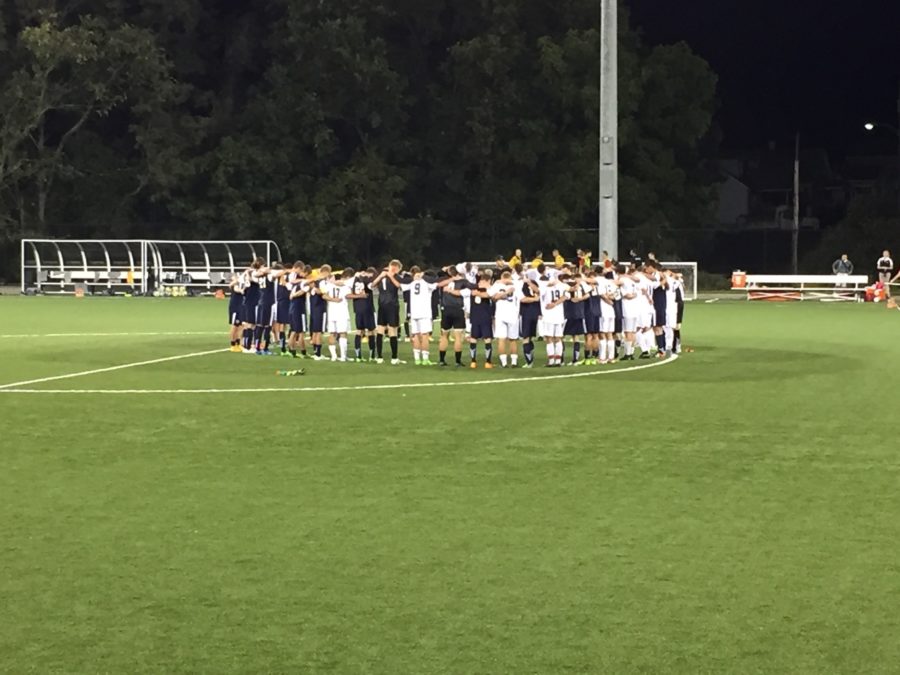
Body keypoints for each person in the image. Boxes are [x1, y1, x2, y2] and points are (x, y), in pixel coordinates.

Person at [400, 266, 438, 366]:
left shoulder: (412, 282)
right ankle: (425, 359)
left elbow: (401, 286)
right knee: (424, 335)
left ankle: (417, 359)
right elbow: (436, 284)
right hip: (424, 312)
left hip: (414, 312)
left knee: (416, 335)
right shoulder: (426, 282)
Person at [371, 260, 407, 365]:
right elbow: (398, 286)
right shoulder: (394, 276)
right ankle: (394, 358)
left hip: (382, 305)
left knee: (381, 330)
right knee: (391, 331)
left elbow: (373, 284)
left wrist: (382, 276)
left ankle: (380, 357)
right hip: (392, 306)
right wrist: (387, 276)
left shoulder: (383, 275)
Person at [489, 270, 523, 367]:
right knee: (513, 339)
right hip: (513, 315)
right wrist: (507, 292)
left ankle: (504, 363)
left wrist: (499, 294)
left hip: (501, 314)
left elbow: (492, 297)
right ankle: (514, 362)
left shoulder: (496, 285)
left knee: (501, 339)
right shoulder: (516, 285)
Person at [438, 267, 470, 367]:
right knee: (458, 337)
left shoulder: (445, 281)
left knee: (444, 335)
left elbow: (437, 278)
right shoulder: (463, 281)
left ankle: (442, 360)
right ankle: (457, 361)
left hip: (446, 309)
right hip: (458, 309)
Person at [352, 267, 377, 361]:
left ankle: (358, 356)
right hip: (367, 308)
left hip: (357, 308)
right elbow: (372, 285)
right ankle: (372, 356)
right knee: (371, 331)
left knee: (359, 331)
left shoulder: (355, 279)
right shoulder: (368, 280)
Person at [228, 272, 245, 352]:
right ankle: (232, 344)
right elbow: (236, 289)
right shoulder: (234, 284)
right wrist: (242, 290)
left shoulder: (242, 283)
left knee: (240, 325)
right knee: (234, 325)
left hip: (241, 306)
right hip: (235, 306)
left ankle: (238, 343)